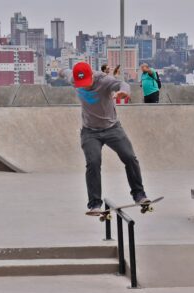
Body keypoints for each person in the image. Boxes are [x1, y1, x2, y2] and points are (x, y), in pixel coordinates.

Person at [62, 62, 149, 214]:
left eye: (87, 83)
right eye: (81, 84)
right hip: (89, 132)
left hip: (112, 129)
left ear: (92, 76)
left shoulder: (104, 80)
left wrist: (124, 92)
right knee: (93, 163)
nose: (85, 86)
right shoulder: (73, 79)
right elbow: (65, 71)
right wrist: (60, 71)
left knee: (130, 157)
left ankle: (139, 195)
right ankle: (95, 204)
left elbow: (123, 84)